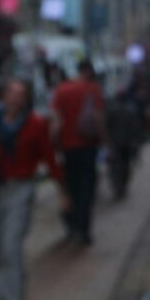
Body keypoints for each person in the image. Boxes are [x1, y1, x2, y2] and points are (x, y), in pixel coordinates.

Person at [0, 78, 64, 300]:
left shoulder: (36, 124)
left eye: (20, 94)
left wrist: (61, 190)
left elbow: (48, 157)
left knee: (10, 247)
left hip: (21, 188)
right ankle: (11, 280)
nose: (14, 98)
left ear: (26, 98)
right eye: (10, 92)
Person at [51, 59, 106, 244]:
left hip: (68, 147)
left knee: (71, 186)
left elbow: (56, 122)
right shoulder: (94, 89)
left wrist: (54, 144)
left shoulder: (62, 90)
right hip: (89, 146)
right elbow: (99, 119)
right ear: (90, 71)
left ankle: (72, 225)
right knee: (87, 188)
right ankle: (84, 228)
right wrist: (103, 139)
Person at [105, 86, 143, 199]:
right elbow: (136, 129)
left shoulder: (112, 110)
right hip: (125, 145)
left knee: (116, 168)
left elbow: (106, 128)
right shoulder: (130, 111)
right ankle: (121, 187)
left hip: (117, 144)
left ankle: (119, 188)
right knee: (124, 167)